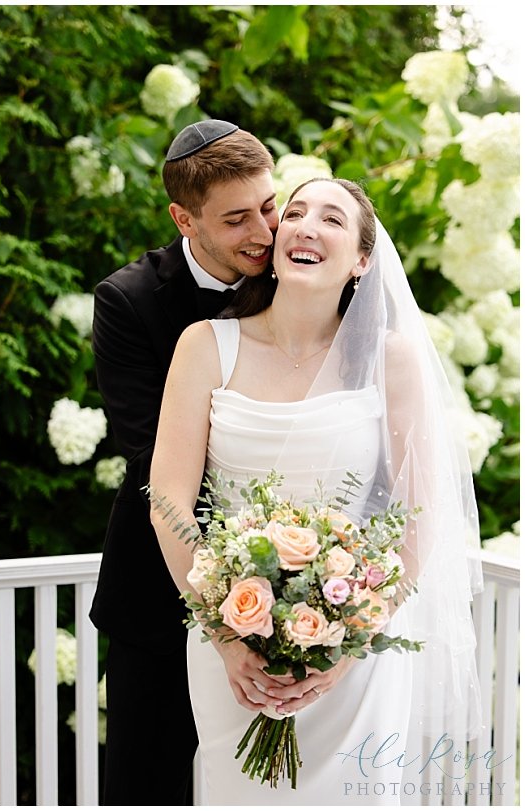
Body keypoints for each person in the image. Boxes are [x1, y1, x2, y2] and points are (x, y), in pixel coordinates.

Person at [148, 177, 483, 803]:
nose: (305, 225)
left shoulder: (391, 358)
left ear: (361, 259)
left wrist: (354, 639)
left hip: (357, 649)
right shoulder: (205, 346)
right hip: (232, 652)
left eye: (332, 219)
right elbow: (167, 499)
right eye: (296, 212)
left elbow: (421, 507)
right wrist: (226, 636)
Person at [89, 119, 278, 805]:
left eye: (268, 205)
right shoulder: (128, 299)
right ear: (183, 217)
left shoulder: (297, 273)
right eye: (237, 219)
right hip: (155, 593)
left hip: (294, 580)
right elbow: (149, 455)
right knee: (146, 785)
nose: (265, 230)